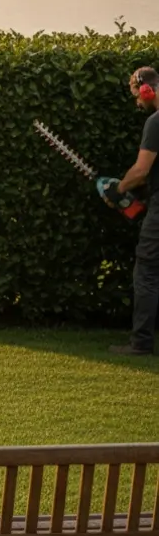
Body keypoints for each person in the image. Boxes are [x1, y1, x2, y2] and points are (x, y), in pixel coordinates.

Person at [108, 66, 159, 355]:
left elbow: (141, 171)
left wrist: (119, 190)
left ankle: (141, 343)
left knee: (147, 270)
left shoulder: (156, 122)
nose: (137, 102)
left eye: (136, 96)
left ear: (146, 90)